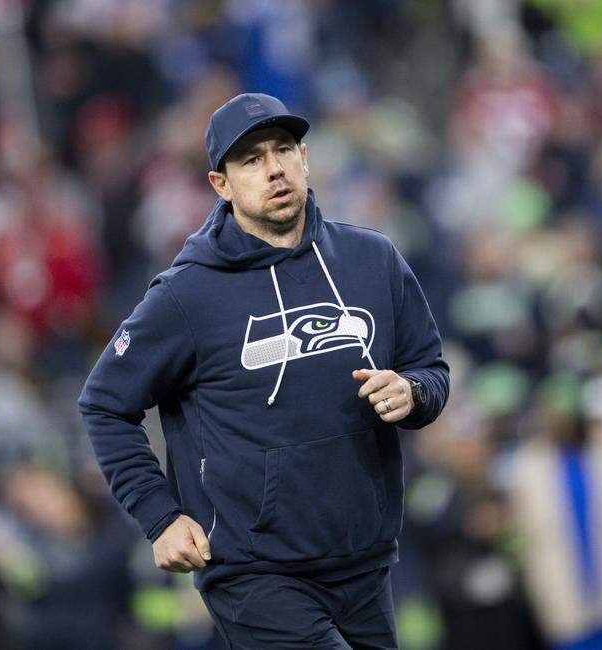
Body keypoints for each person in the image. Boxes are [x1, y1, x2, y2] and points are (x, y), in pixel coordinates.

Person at [78, 92, 449, 648]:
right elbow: (104, 403)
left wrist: (413, 391)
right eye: (251, 159)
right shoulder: (187, 294)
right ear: (221, 185)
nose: (274, 169)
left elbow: (430, 368)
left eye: (283, 150)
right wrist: (160, 516)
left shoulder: (372, 259)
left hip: (365, 563)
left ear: (306, 159)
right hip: (254, 574)